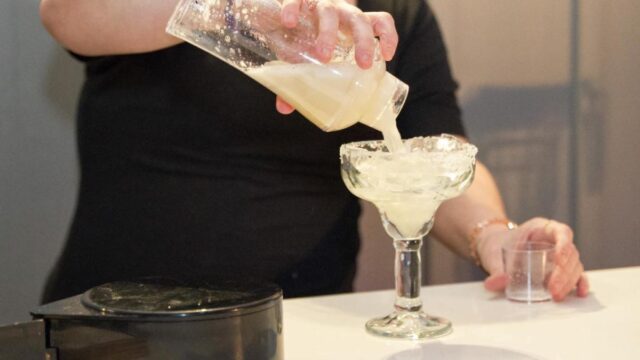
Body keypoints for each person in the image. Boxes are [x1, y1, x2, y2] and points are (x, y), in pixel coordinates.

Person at [39, 0, 588, 303]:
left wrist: (497, 236)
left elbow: (436, 159)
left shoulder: (392, 16)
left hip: (303, 321)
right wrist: (242, 15)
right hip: (124, 319)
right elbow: (66, 13)